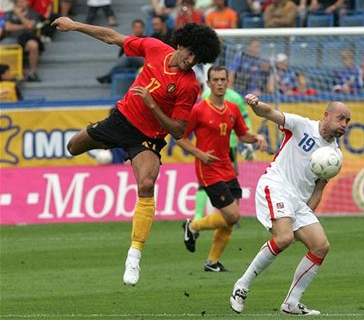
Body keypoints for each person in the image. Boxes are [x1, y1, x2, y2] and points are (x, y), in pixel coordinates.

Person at [51, 16, 221, 285]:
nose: (190, 60)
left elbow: (178, 130)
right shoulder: (154, 47)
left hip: (147, 138)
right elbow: (112, 37)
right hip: (120, 120)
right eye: (189, 53)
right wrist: (75, 26)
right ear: (181, 44)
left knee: (146, 184)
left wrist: (153, 106)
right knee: (73, 147)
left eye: (196, 59)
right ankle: (106, 144)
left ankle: (134, 256)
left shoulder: (189, 86)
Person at [229, 94, 351, 315]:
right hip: (276, 184)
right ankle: (242, 286)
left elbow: (319, 189)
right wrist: (256, 104)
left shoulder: (335, 155)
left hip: (298, 202)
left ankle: (291, 303)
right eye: (341, 118)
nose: (344, 124)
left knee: (320, 246)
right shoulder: (302, 126)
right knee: (284, 238)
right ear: (326, 115)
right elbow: (269, 113)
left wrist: (305, 216)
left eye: (347, 121)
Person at [179, 66, 267, 272]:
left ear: (228, 83)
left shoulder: (232, 108)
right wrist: (200, 154)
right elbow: (180, 138)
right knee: (233, 215)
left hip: (227, 166)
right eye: (215, 80)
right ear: (208, 84)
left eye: (223, 80)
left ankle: (212, 262)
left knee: (229, 219)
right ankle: (192, 226)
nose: (219, 83)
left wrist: (256, 138)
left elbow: (243, 134)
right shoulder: (198, 110)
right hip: (208, 168)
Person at [96, 19, 146, 84]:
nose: (138, 29)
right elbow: (120, 57)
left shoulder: (147, 39)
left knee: (128, 56)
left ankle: (109, 76)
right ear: (133, 28)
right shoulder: (129, 40)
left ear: (143, 28)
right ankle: (110, 76)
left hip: (144, 61)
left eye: (139, 27)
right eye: (136, 27)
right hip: (131, 64)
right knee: (123, 61)